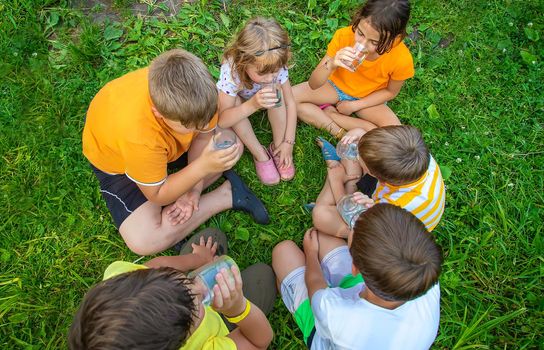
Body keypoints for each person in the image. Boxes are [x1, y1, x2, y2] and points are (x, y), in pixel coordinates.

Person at [82, 49, 269, 256]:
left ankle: (187, 196)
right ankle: (225, 196)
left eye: (206, 120)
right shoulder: (139, 137)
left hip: (165, 146)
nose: (202, 127)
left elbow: (204, 135)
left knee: (230, 146)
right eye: (190, 126)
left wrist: (193, 190)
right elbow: (158, 194)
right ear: (159, 114)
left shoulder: (198, 95)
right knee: (143, 241)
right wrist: (202, 167)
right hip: (122, 164)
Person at [69, 228, 276, 350]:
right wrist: (237, 308)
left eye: (186, 283)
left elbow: (158, 264)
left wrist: (197, 259)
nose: (200, 289)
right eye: (197, 306)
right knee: (263, 277)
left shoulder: (120, 276)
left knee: (212, 236)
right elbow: (260, 342)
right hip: (223, 327)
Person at [272, 204, 443, 349]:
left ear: (355, 268)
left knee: (283, 251)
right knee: (323, 236)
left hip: (327, 331)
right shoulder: (422, 273)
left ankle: (285, 289)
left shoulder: (338, 318)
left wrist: (311, 253)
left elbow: (315, 284)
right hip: (367, 293)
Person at [293, 0, 414, 138]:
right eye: (360, 33)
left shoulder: (401, 58)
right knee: (289, 98)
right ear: (358, 18)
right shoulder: (344, 36)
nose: (362, 44)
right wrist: (331, 64)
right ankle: (340, 133)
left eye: (374, 42)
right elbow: (313, 84)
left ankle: (332, 115)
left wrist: (355, 106)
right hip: (334, 87)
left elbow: (390, 92)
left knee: (398, 137)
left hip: (368, 97)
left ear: (395, 38)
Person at [313, 125, 445, 238]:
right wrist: (359, 133)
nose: (356, 156)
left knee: (320, 215)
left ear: (380, 179)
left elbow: (363, 225)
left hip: (387, 232)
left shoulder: (396, 206)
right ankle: (346, 185)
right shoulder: (414, 156)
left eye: (359, 159)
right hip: (385, 195)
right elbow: (364, 141)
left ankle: (336, 172)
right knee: (353, 141)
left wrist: (336, 182)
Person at [217, 17, 297, 185]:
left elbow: (290, 103)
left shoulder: (275, 64)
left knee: (278, 94)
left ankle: (278, 147)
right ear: (243, 62)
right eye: (263, 73)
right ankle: (259, 153)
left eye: (274, 72)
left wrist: (288, 142)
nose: (270, 78)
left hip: (265, 101)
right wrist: (252, 105)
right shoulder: (232, 73)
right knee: (236, 104)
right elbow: (223, 120)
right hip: (242, 103)